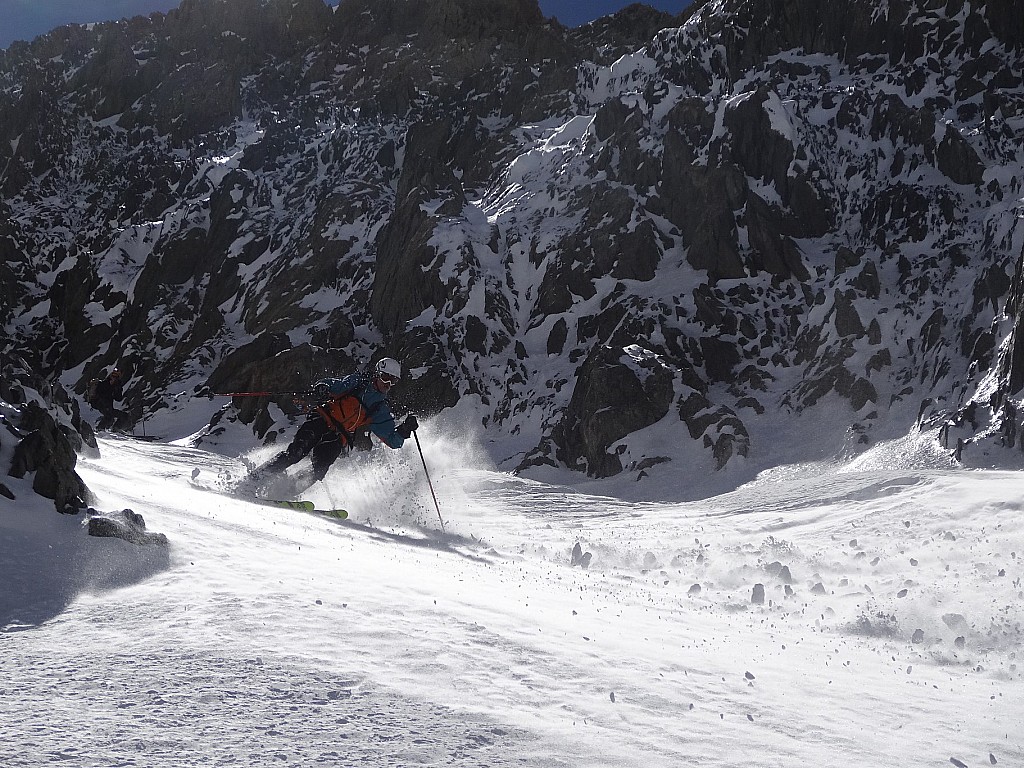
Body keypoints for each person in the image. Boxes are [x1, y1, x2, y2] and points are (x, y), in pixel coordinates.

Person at [241, 357, 418, 496]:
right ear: (378, 374)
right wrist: (323, 387)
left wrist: (405, 429)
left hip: (339, 437)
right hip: (322, 419)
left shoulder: (380, 409)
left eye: (393, 381)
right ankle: (254, 481)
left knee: (318, 470)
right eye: (386, 377)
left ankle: (284, 493)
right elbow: (335, 384)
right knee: (295, 453)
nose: (388, 384)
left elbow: (394, 441)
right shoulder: (359, 382)